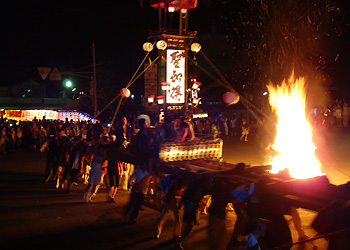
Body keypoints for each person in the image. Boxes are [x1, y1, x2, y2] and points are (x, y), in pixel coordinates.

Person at [154, 171, 183, 241]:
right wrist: (157, 191)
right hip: (168, 200)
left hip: (174, 201)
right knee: (162, 217)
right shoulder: (168, 178)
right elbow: (161, 185)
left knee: (176, 219)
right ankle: (157, 232)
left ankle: (176, 235)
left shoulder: (179, 180)